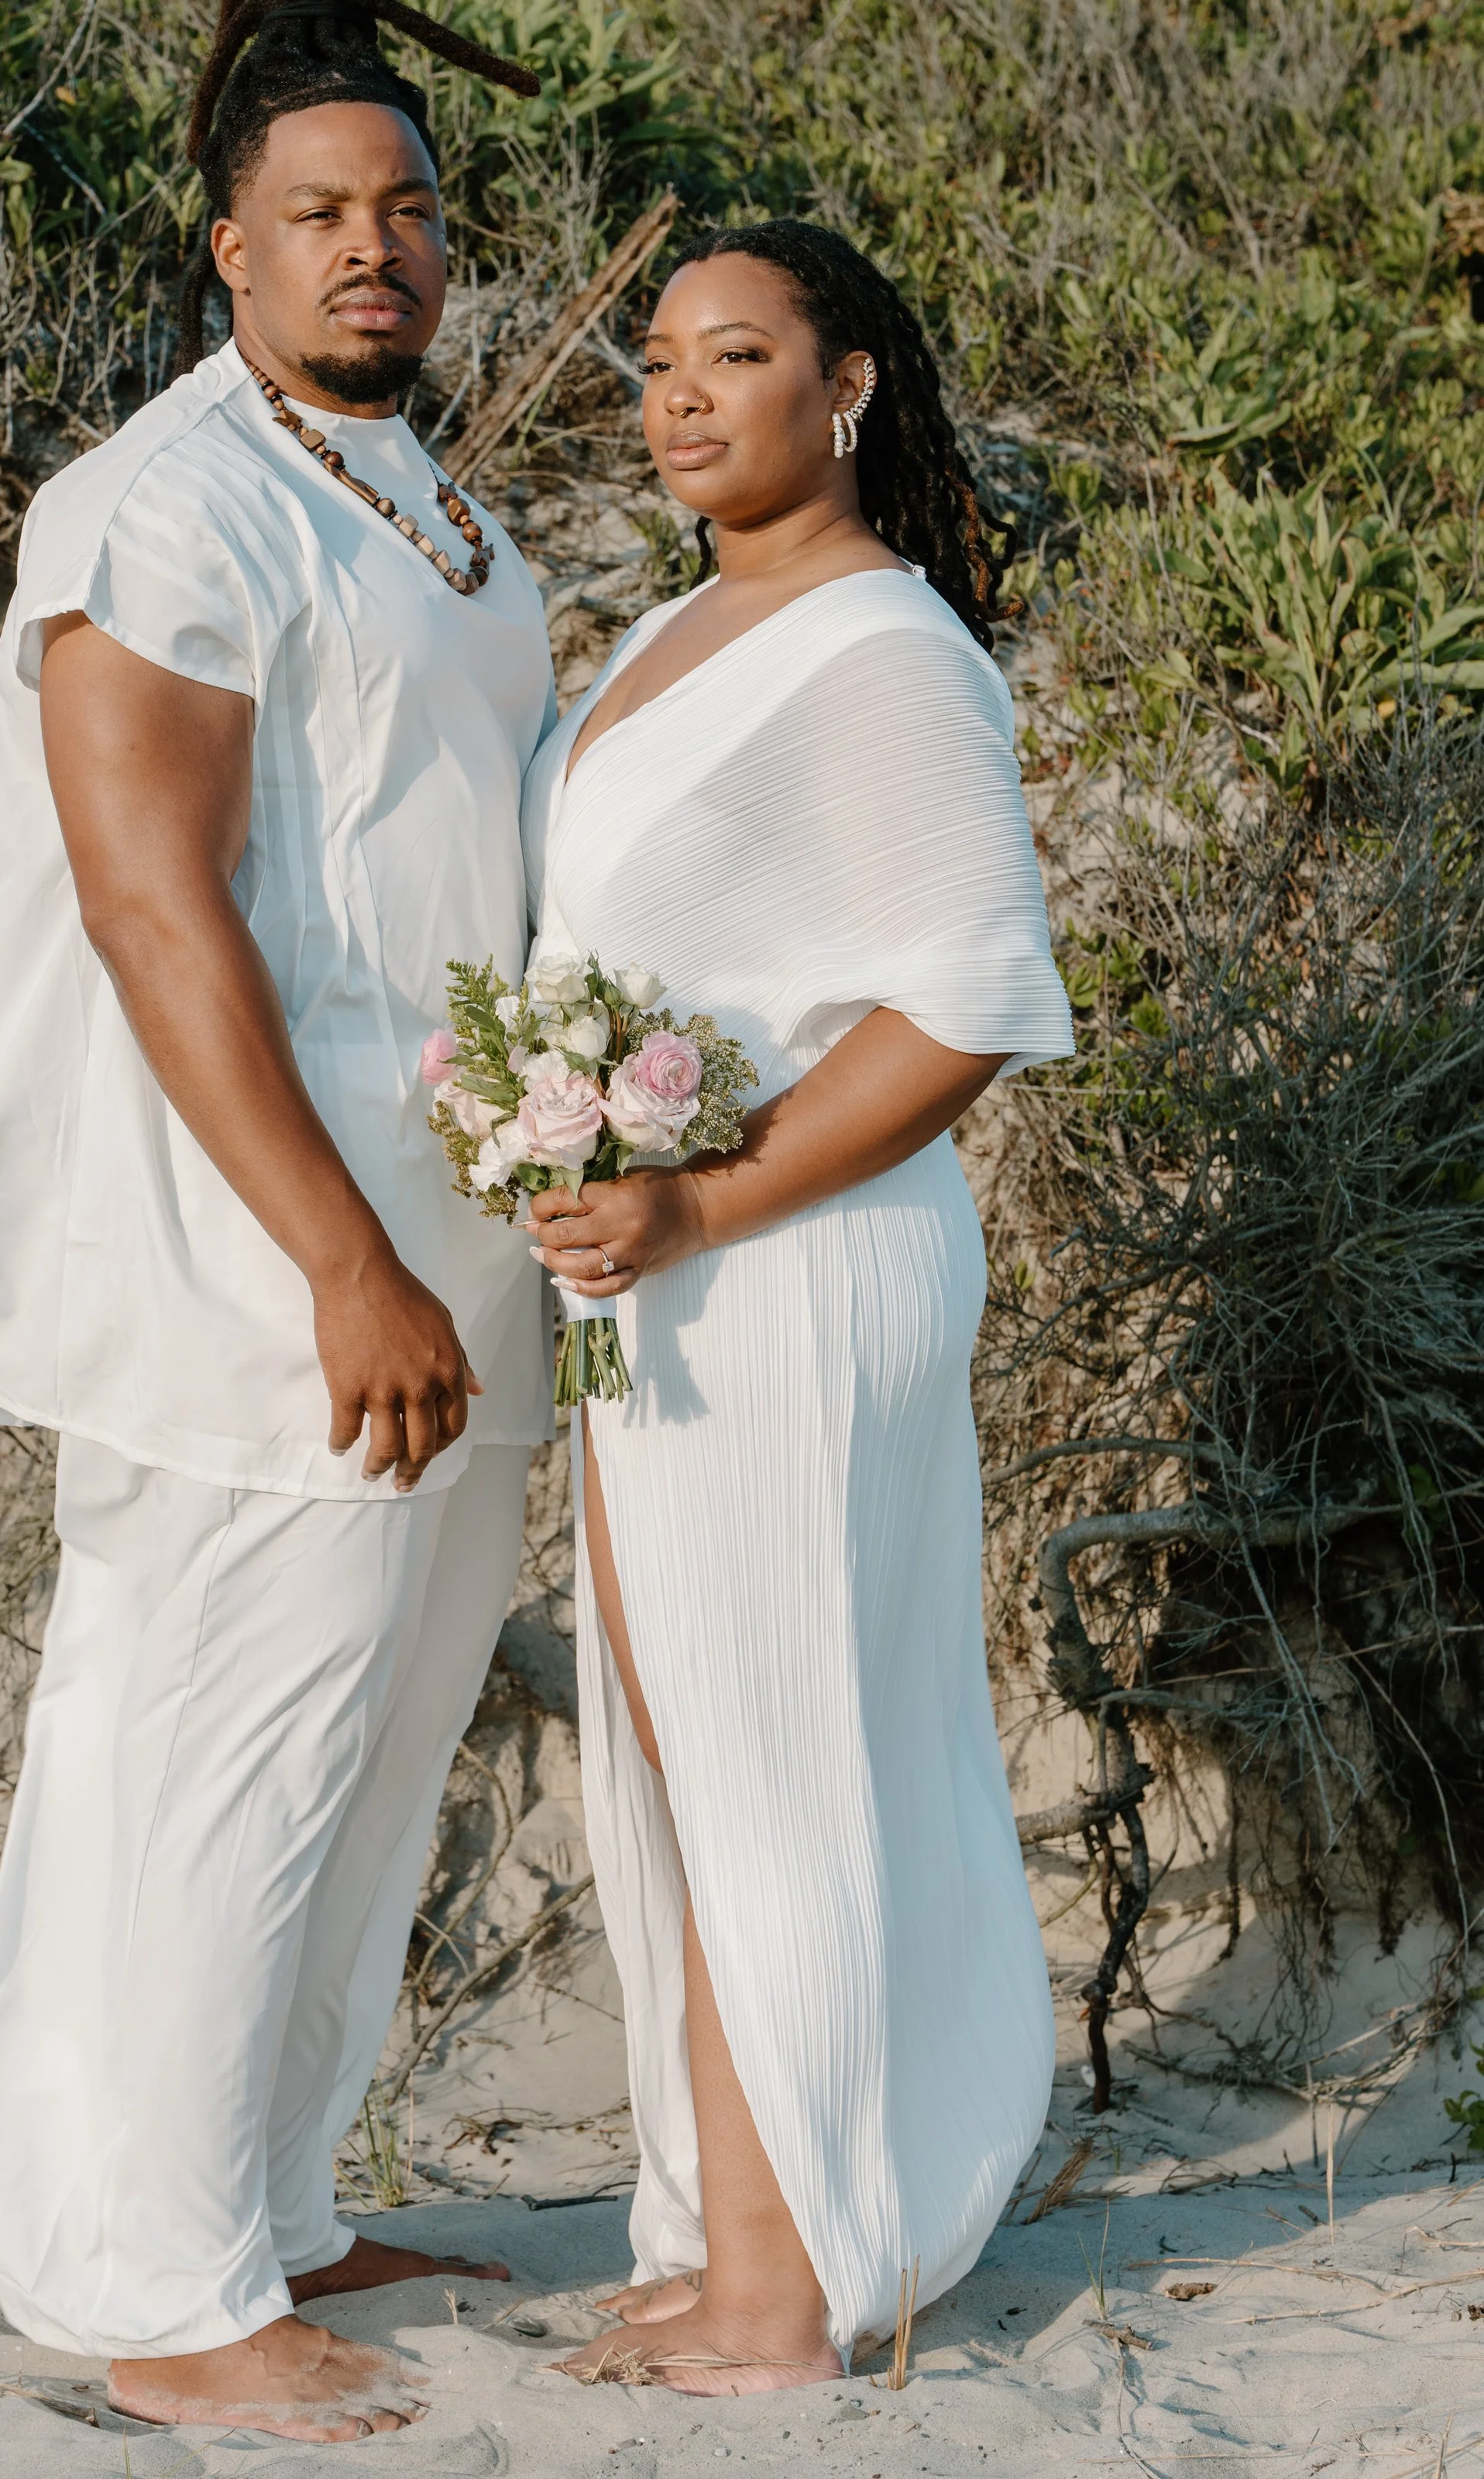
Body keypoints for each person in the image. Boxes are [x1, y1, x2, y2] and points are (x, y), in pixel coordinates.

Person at [0, 0, 557, 2443]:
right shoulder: (158, 506)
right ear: (227, 248)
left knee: (374, 1746)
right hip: (262, 1263)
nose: (370, 246)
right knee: (211, 1733)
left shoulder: (428, 508)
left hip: (455, 1246)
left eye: (403, 208)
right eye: (316, 213)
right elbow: (151, 905)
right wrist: (343, 1258)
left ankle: (271, 2188)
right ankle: (163, 2281)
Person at [522, 218, 1073, 2393]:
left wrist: (699, 1196)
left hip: (786, 1262)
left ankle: (791, 2288)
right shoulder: (676, 625)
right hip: (659, 1263)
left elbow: (965, 1002)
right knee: (689, 1742)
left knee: (780, 1745)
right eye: (655, 359)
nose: (676, 396)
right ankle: (750, 2225)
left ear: (843, 385)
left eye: (732, 354)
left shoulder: (885, 651)